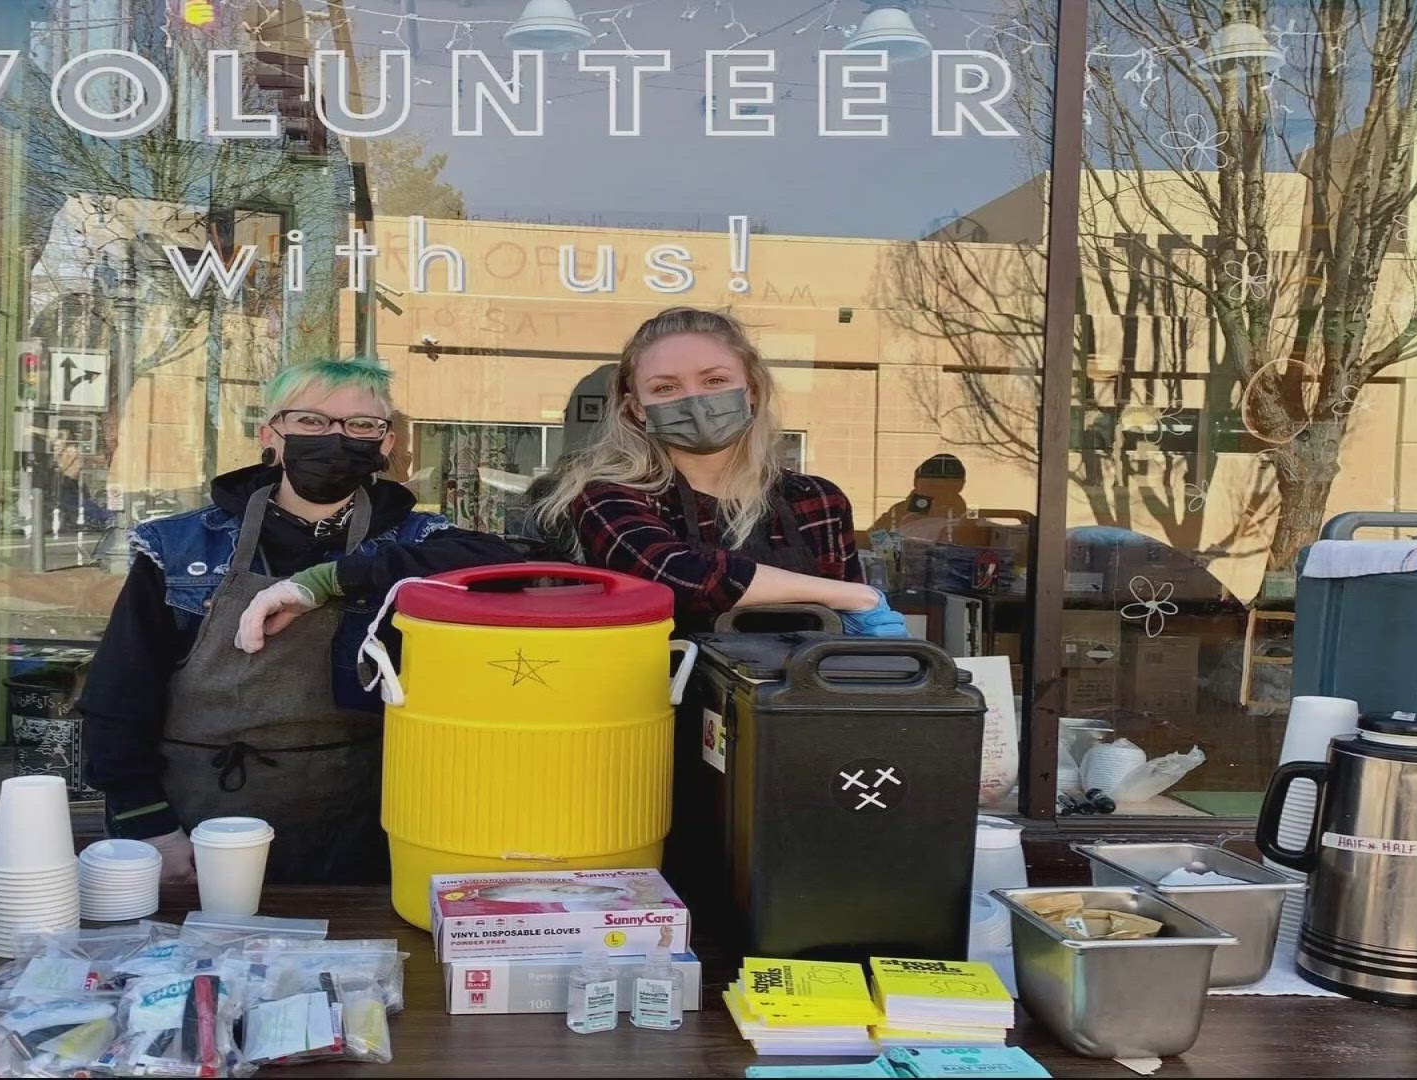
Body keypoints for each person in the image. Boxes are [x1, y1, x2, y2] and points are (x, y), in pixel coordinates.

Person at [79, 358, 523, 885]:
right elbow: (118, 698)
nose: (337, 438)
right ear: (271, 433)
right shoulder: (179, 548)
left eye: (361, 425)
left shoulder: (418, 539)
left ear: (385, 443)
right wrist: (147, 823)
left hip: (362, 830)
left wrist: (332, 579)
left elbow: (511, 567)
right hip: (201, 831)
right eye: (311, 421)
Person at [533, 306, 906, 637]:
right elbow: (681, 576)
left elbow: (848, 625)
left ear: (752, 390)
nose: (694, 400)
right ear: (638, 409)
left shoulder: (816, 500)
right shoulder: (610, 498)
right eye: (665, 387)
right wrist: (852, 596)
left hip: (798, 703)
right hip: (662, 703)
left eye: (715, 381)